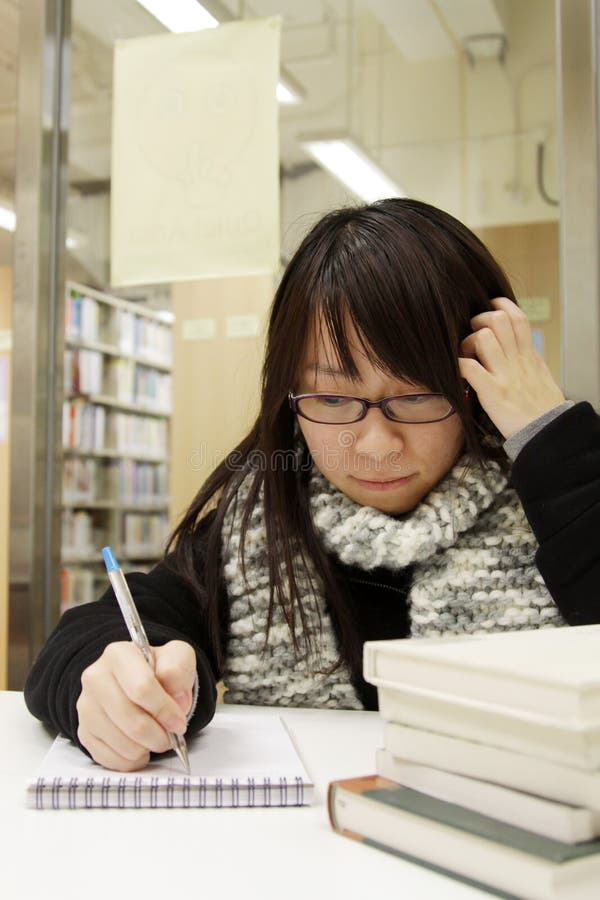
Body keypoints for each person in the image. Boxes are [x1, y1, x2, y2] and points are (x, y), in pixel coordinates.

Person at [25, 198, 600, 772]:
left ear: (482, 379)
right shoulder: (258, 525)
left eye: (419, 393)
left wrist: (550, 436)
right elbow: (102, 631)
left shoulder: (550, 500)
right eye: (329, 397)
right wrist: (110, 685)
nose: (375, 445)